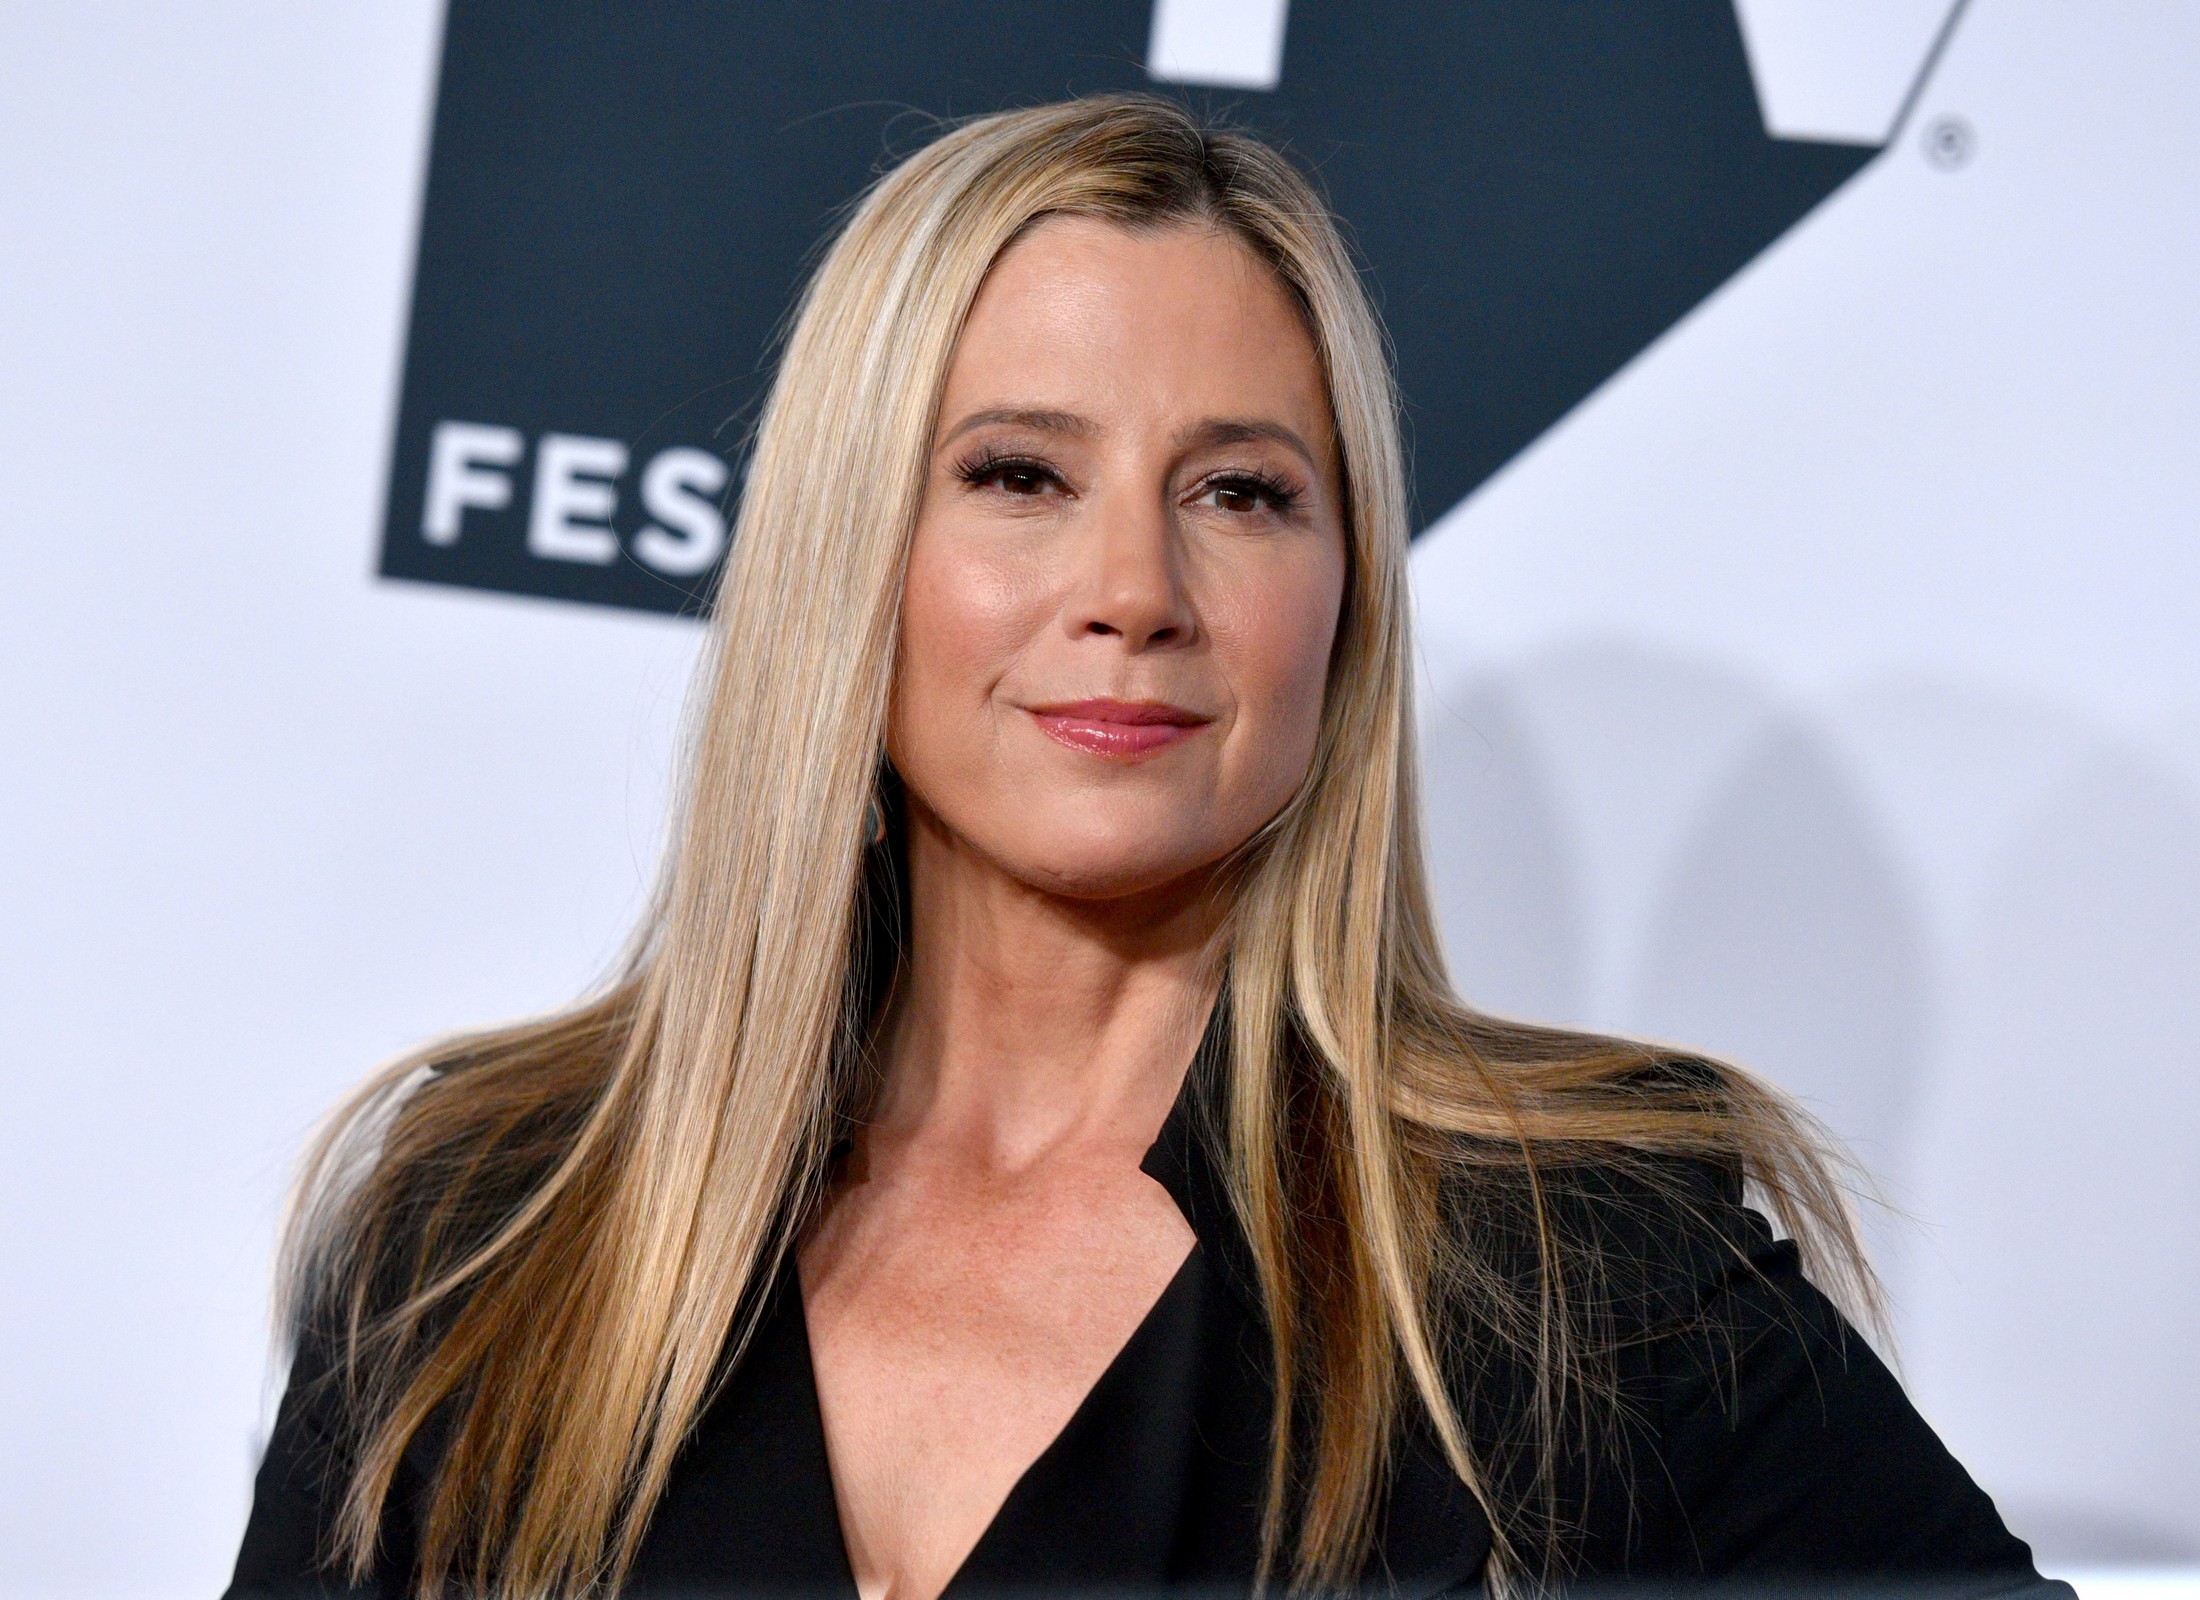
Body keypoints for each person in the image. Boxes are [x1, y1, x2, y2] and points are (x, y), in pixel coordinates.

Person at [228, 96, 2064, 1600]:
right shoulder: (488, 1222)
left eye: (1240, 493)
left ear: (1347, 597)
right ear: (845, 554)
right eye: (1019, 475)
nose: (1134, 591)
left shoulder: (1579, 1273)